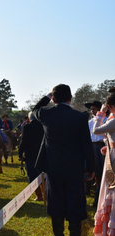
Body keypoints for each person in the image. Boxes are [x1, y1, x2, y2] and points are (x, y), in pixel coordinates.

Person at [33, 84, 94, 236]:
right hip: (75, 169)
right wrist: (91, 168)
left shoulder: (45, 113)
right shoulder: (80, 117)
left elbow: (35, 109)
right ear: (71, 98)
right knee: (75, 203)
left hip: (53, 169)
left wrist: (47, 97)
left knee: (56, 204)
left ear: (53, 99)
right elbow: (87, 145)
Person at [93, 93, 115, 235]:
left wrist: (100, 114)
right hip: (112, 155)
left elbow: (96, 130)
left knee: (112, 189)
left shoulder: (113, 120)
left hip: (113, 161)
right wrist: (109, 145)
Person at [84, 101, 106, 206]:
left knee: (105, 170)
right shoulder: (90, 122)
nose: (93, 111)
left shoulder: (106, 120)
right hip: (93, 146)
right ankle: (98, 192)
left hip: (103, 145)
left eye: (95, 109)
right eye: (91, 109)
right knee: (96, 171)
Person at [18, 112, 43, 201]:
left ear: (29, 118)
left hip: (31, 155)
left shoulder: (27, 127)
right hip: (43, 154)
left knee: (32, 176)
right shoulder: (44, 125)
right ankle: (47, 194)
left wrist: (20, 154)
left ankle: (39, 195)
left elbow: (23, 142)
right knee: (44, 175)